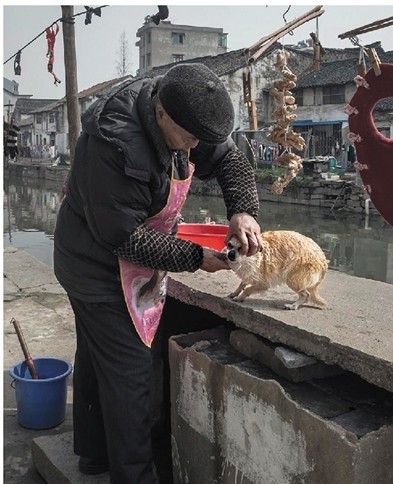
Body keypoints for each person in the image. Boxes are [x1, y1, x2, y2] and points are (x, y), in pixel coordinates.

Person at [53, 63, 263, 483]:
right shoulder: (114, 145)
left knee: (99, 360)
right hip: (93, 265)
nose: (195, 147)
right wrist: (195, 257)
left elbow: (229, 161)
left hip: (125, 255)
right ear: (161, 113)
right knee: (130, 375)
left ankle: (94, 456)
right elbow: (125, 239)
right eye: (189, 139)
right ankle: (134, 474)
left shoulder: (186, 113)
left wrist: (242, 209)